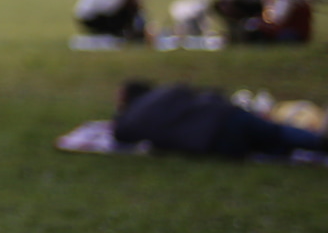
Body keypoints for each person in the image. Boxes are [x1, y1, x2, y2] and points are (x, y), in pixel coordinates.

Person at [114, 80, 327, 158]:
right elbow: (207, 94)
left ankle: (305, 146)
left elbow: (120, 135)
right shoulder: (168, 91)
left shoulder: (131, 119)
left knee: (267, 146)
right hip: (227, 114)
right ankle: (316, 141)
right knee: (275, 132)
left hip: (212, 139)